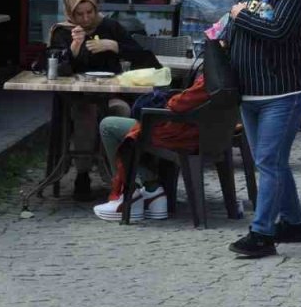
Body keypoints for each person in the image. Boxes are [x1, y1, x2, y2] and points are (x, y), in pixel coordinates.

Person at [224, 0, 301, 258]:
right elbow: (235, 24)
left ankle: (262, 233)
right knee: (273, 161)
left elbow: (276, 31)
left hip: (284, 93)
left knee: (267, 161)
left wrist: (240, 16)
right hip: (250, 94)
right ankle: (293, 223)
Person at [48, 0, 158, 200]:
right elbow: (53, 68)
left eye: (90, 12)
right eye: (79, 14)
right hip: (76, 97)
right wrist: (74, 50)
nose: (86, 19)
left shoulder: (109, 26)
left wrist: (115, 46)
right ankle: (83, 173)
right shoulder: (62, 31)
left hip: (110, 94)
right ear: (70, 11)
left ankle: (120, 173)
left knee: (121, 112)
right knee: (85, 114)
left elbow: (148, 60)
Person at [90, 76, 213, 221]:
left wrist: (168, 101)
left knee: (108, 126)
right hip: (203, 134)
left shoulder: (213, 74)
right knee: (137, 125)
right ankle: (152, 192)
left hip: (181, 134)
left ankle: (130, 193)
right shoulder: (229, 73)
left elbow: (180, 103)